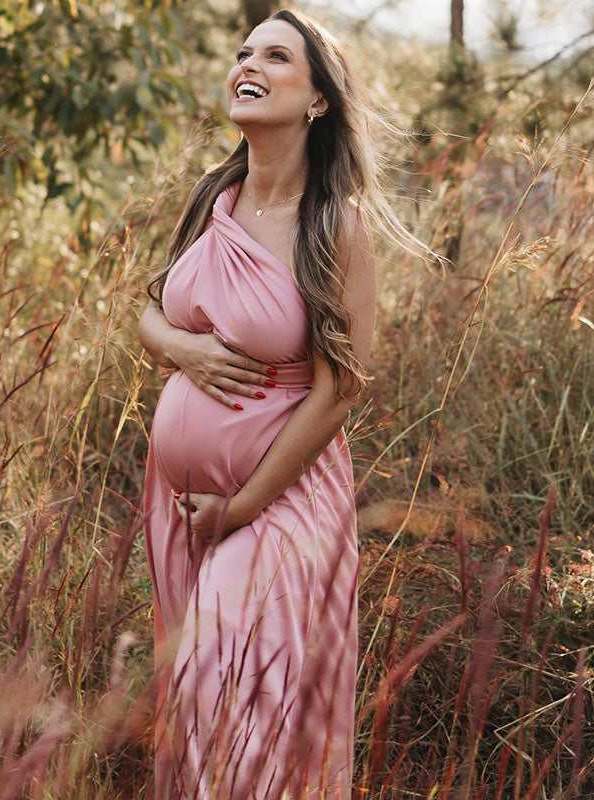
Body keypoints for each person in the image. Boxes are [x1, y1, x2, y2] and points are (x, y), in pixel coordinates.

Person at [138, 8, 432, 799]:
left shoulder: (334, 224)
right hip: (179, 509)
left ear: (317, 102)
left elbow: (345, 387)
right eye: (244, 51)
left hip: (278, 504)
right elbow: (151, 310)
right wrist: (179, 347)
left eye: (276, 56)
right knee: (199, 716)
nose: (250, 62)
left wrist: (240, 506)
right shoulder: (216, 198)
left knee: (230, 690)